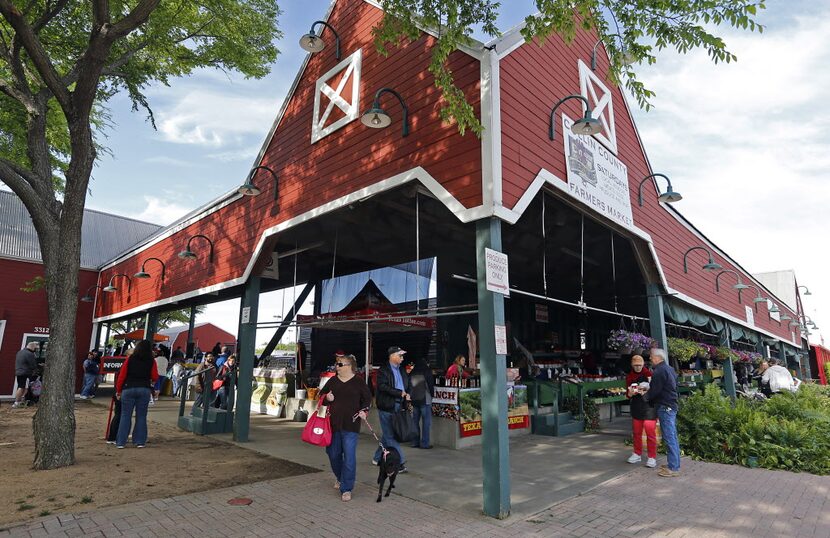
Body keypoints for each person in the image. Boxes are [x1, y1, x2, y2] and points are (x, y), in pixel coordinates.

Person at [320, 354, 371, 502]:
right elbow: (321, 396)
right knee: (333, 453)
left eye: (340, 364)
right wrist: (326, 398)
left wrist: (364, 411)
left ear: (349, 366)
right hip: (333, 424)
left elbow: (367, 399)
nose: (337, 367)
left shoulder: (359, 382)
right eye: (337, 364)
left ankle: (346, 488)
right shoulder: (333, 381)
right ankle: (340, 477)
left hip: (351, 425)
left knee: (349, 457)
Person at [641, 348, 680, 477]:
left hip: (665, 407)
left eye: (651, 357)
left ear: (658, 358)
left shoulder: (658, 371)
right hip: (671, 405)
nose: (650, 359)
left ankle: (673, 468)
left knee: (669, 437)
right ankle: (674, 464)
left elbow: (655, 390)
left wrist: (644, 395)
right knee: (672, 436)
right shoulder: (669, 369)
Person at [373, 346, 412, 472]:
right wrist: (398, 393)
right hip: (387, 405)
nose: (402, 358)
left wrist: (408, 393)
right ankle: (399, 462)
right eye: (400, 356)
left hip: (399, 405)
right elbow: (382, 386)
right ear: (393, 356)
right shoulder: (383, 370)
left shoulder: (402, 370)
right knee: (390, 436)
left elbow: (407, 384)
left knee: (387, 434)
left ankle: (377, 457)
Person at [114, 339, 159, 448]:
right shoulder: (151, 360)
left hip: (128, 388)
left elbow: (122, 376)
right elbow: (155, 376)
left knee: (125, 415)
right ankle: (139, 441)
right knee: (141, 416)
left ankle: (121, 442)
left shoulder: (130, 359)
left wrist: (118, 390)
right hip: (144, 389)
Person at [625, 355, 657, 468]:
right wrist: (630, 393)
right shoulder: (629, 376)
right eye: (635, 365)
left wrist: (646, 391)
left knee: (650, 433)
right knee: (637, 433)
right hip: (636, 406)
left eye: (639, 365)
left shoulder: (650, 374)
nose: (638, 367)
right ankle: (637, 453)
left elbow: (655, 390)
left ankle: (652, 457)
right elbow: (627, 395)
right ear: (632, 365)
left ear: (643, 364)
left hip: (649, 407)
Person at [408, 357, 434, 449]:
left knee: (415, 422)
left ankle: (414, 442)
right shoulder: (427, 371)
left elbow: (409, 386)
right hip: (425, 399)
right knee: (426, 422)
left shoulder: (412, 372)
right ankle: (424, 444)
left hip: (415, 400)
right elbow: (430, 385)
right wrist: (432, 395)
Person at [13, 342, 39, 408]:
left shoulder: (20, 352)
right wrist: (37, 368)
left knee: (21, 386)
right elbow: (33, 365)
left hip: (19, 372)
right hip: (26, 373)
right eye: (35, 348)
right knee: (23, 388)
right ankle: (17, 402)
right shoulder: (29, 354)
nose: (35, 350)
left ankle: (19, 402)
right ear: (32, 347)